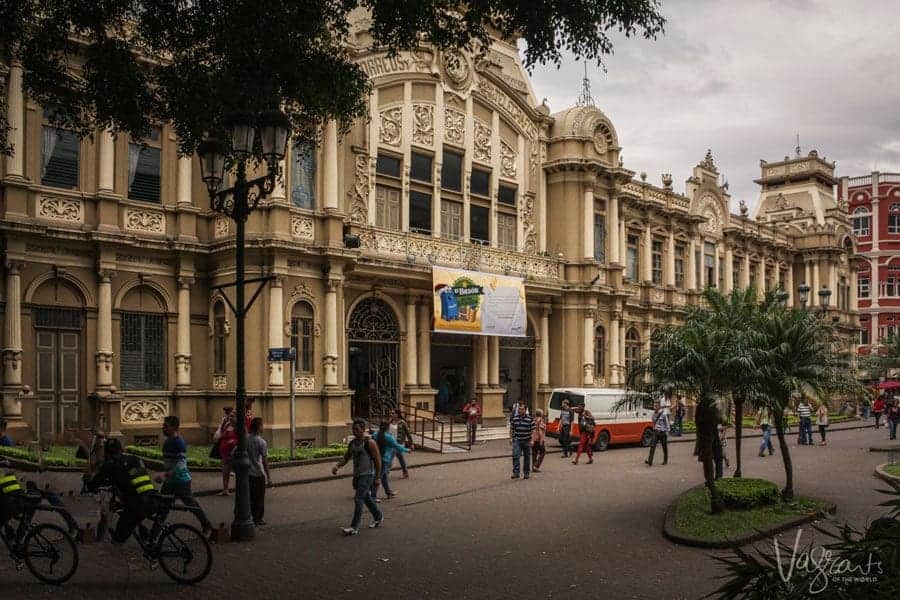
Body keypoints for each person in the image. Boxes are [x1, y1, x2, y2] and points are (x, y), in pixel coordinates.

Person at [84, 438, 158, 543]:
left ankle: (119, 542)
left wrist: (88, 485)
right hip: (152, 499)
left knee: (117, 540)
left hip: (137, 505)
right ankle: (142, 530)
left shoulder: (110, 464)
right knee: (127, 506)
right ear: (120, 449)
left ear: (107, 452)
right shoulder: (135, 459)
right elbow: (129, 479)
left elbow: (95, 483)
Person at [155, 415, 213, 534]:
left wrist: (165, 475)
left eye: (165, 426)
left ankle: (207, 525)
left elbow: (181, 465)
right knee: (163, 508)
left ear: (173, 427)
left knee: (190, 505)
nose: (163, 428)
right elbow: (170, 462)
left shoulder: (178, 442)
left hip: (181, 482)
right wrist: (165, 474)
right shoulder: (168, 442)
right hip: (170, 482)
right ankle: (153, 535)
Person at [331, 418, 383, 536]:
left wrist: (378, 477)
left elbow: (378, 460)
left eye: (357, 429)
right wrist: (337, 466)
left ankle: (354, 527)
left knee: (358, 498)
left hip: (367, 475)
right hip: (357, 475)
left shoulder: (370, 443)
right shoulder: (353, 443)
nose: (354, 431)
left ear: (363, 429)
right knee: (365, 498)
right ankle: (378, 516)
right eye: (353, 429)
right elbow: (346, 457)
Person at [370, 421, 408, 500]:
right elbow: (397, 446)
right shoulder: (388, 437)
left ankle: (388, 493)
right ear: (388, 428)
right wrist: (407, 450)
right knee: (378, 477)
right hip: (384, 459)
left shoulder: (375, 435)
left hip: (376, 458)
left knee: (383, 477)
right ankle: (372, 496)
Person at [247, 417, 271, 526]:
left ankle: (250, 515)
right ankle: (258, 518)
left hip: (248, 473)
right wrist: (269, 477)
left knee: (250, 496)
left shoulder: (245, 439)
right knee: (260, 497)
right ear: (259, 427)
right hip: (258, 472)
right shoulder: (261, 442)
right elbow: (265, 461)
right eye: (262, 425)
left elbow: (234, 453)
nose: (263, 427)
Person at [509, 403, 535, 478]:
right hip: (517, 440)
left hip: (527, 440)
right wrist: (510, 438)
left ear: (525, 410)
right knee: (515, 455)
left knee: (527, 457)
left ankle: (526, 473)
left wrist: (532, 440)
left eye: (522, 409)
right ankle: (516, 472)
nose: (520, 410)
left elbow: (533, 431)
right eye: (519, 409)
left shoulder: (530, 419)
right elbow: (512, 429)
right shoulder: (515, 418)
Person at [217, 410, 238, 495]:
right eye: (230, 416)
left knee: (238, 472)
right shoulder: (227, 425)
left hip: (234, 453)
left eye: (233, 416)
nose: (230, 418)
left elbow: (243, 439)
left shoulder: (239, 427)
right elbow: (222, 435)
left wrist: (233, 443)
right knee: (225, 471)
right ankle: (225, 489)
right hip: (225, 453)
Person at [0, 458, 24, 532]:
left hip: (13, 503)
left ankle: (10, 532)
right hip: (20, 500)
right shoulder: (6, 469)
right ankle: (9, 531)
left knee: (4, 511)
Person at [646, 401, 671, 467]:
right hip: (656, 432)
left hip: (662, 433)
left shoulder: (663, 414)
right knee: (652, 446)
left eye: (656, 406)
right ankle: (650, 461)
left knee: (664, 447)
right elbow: (653, 422)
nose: (655, 407)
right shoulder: (654, 414)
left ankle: (665, 460)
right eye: (654, 406)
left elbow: (667, 423)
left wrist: (667, 431)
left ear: (659, 407)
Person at [391, 410, 413, 478]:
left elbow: (408, 433)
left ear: (397, 414)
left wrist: (411, 443)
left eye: (393, 413)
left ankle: (384, 472)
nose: (391, 414)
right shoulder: (390, 422)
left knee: (390, 457)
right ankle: (405, 472)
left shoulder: (402, 422)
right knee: (400, 458)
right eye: (390, 413)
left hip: (399, 443)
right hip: (391, 443)